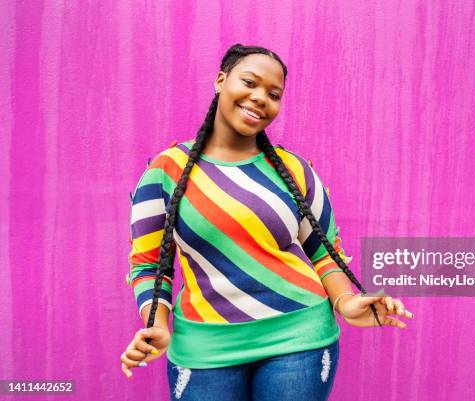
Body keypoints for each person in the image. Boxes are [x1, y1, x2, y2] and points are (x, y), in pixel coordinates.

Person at [120, 43, 413, 401]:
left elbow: (324, 253)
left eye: (273, 94)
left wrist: (347, 304)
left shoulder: (294, 170)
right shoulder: (165, 172)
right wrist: (158, 326)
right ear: (220, 80)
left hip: (299, 339)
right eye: (249, 82)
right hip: (204, 347)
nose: (260, 98)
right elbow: (150, 266)